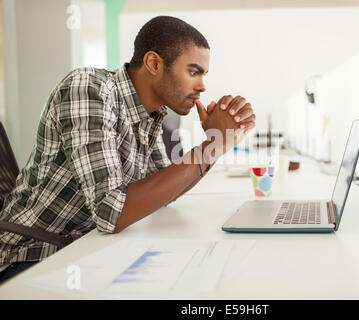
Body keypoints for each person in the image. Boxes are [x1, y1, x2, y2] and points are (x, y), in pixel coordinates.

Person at [0, 16, 256, 284]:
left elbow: (162, 193)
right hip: (31, 256)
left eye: (203, 75)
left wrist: (216, 140)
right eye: (193, 72)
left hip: (84, 246)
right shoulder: (89, 88)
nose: (202, 86)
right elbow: (112, 213)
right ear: (154, 64)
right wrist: (213, 146)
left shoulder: (149, 114)